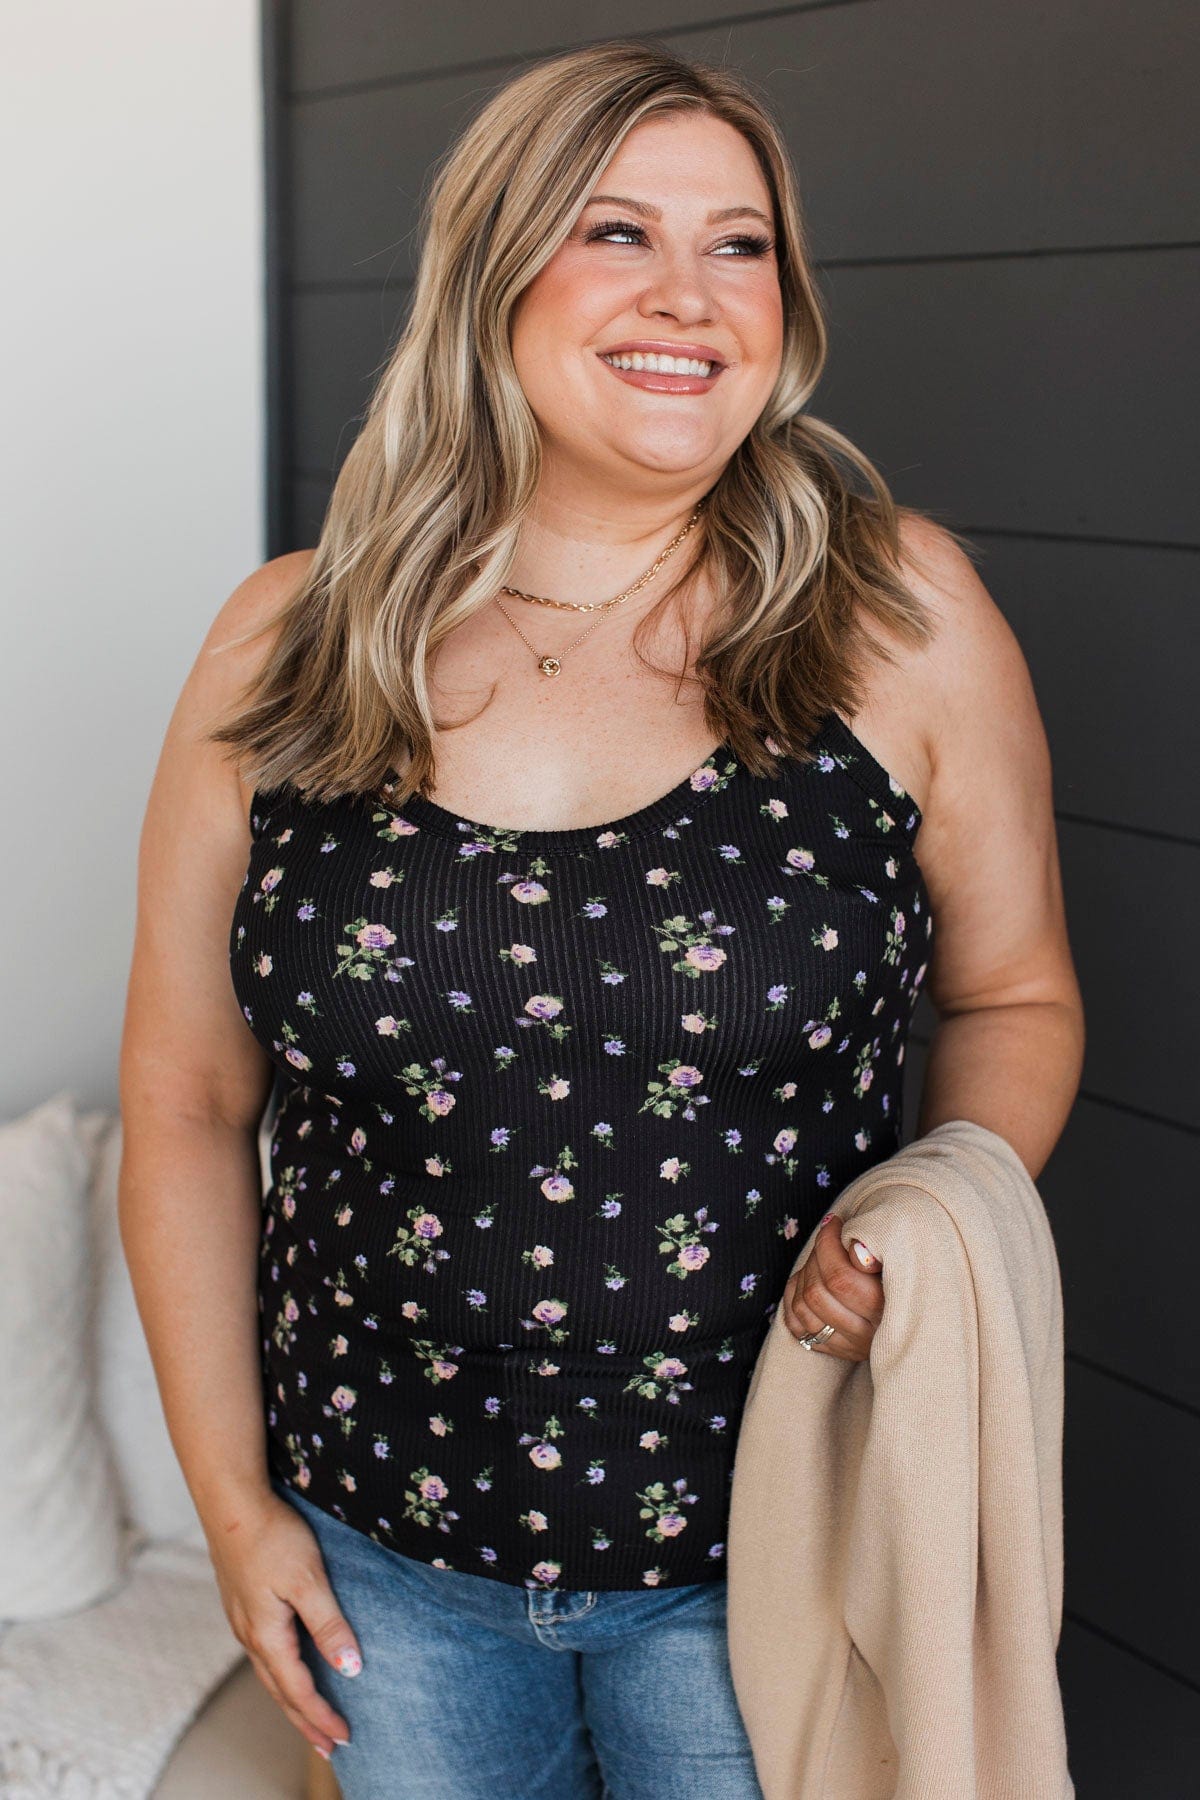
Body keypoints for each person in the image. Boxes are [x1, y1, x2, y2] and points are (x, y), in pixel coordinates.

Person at [118, 38, 1085, 1800]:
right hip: (381, 1556)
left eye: (741, 245)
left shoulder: (900, 615)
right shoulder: (286, 642)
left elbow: (1018, 998)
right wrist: (234, 1505)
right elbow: (186, 1099)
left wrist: (929, 1205)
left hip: (773, 1549)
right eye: (618, 230)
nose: (689, 295)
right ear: (494, 273)